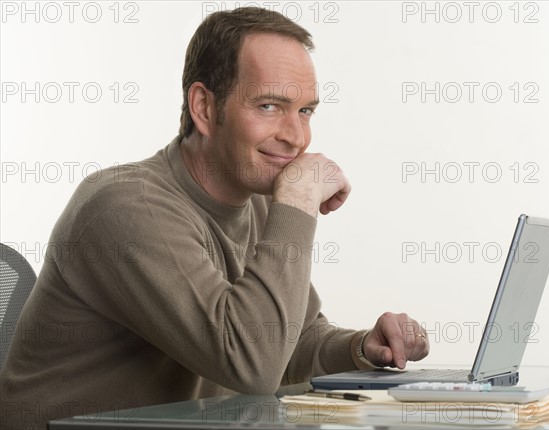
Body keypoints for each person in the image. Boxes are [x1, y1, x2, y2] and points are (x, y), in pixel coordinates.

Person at [0, 7, 429, 430]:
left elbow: (288, 346)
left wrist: (361, 348)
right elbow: (252, 365)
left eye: (305, 111)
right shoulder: (127, 207)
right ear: (204, 107)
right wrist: (297, 202)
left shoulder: (259, 202)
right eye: (268, 106)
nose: (297, 137)